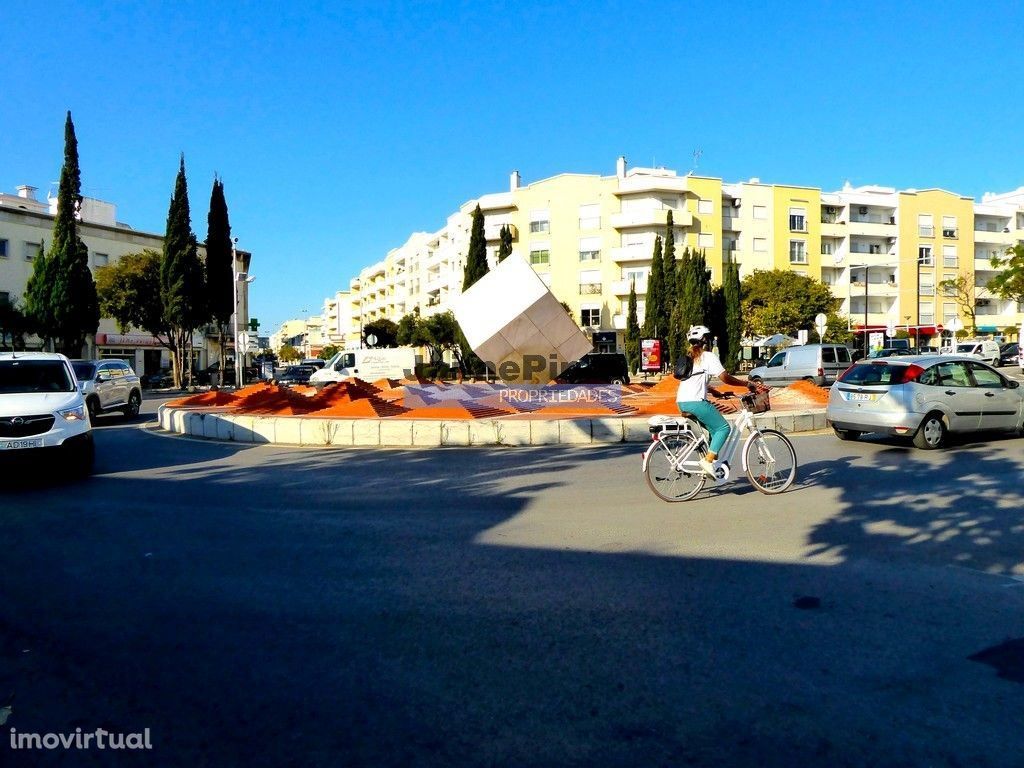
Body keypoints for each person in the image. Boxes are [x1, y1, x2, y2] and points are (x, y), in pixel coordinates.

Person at [676, 324, 758, 476]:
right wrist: (746, 384)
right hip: (696, 403)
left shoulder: (691, 358)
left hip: (682, 402)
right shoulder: (708, 357)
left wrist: (715, 392)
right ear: (705, 340)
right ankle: (707, 462)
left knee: (714, 430)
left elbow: (696, 380)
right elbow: (725, 377)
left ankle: (712, 462)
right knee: (723, 428)